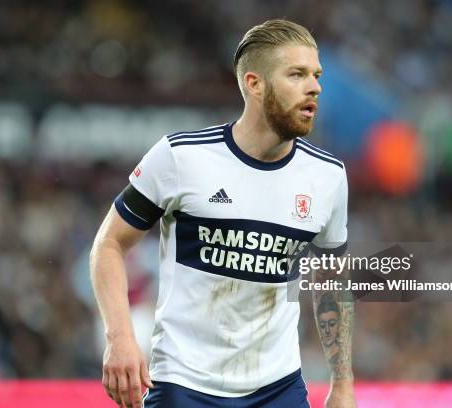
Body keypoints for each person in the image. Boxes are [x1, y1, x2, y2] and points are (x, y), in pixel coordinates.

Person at [90, 19, 356, 408]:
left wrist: (343, 384)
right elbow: (109, 244)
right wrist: (120, 338)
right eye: (296, 74)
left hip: (278, 389)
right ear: (254, 83)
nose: (314, 86)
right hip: (184, 386)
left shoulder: (328, 177)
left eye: (316, 75)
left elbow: (333, 280)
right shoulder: (181, 157)